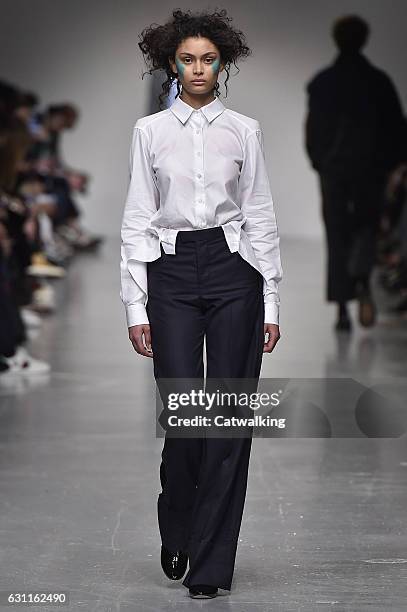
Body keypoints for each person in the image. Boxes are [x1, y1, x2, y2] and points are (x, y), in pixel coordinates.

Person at [120, 8, 283, 599]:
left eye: (208, 58)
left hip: (233, 265)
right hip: (170, 271)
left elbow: (259, 212)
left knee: (230, 418)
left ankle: (213, 564)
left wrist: (271, 300)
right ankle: (179, 521)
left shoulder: (244, 129)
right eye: (187, 58)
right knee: (186, 416)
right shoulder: (150, 133)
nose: (197, 68)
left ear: (223, 63)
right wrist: (136, 306)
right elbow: (138, 215)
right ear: (171, 63)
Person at [305, 15, 406, 331]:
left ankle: (341, 311)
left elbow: (313, 131)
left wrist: (321, 161)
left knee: (336, 234)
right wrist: (389, 167)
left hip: (334, 170)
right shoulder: (379, 82)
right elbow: (397, 131)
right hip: (369, 170)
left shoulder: (323, 82)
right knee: (365, 227)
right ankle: (362, 280)